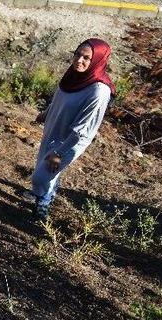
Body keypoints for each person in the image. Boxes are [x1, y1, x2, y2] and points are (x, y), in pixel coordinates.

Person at [27, 39, 115, 220]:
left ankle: (43, 202)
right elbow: (59, 99)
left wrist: (59, 153)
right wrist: (46, 113)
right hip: (54, 127)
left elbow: (81, 130)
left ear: (98, 60)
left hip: (70, 140)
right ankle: (44, 196)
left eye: (86, 58)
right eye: (77, 54)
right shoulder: (73, 75)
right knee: (46, 170)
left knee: (41, 176)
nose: (79, 61)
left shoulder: (98, 91)